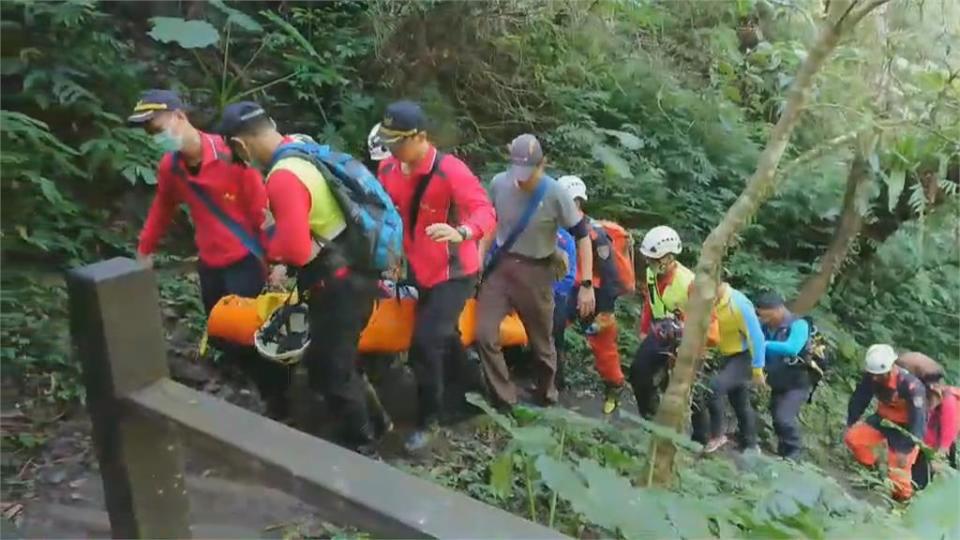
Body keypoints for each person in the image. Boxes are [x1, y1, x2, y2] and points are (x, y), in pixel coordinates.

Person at [218, 101, 381, 454]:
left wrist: (272, 242)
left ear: (241, 145)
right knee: (342, 359)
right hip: (357, 267)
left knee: (328, 369)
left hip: (339, 282)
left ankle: (362, 446)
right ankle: (378, 424)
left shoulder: (283, 177)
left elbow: (292, 248)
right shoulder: (304, 151)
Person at [126, 90, 290, 416]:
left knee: (255, 335)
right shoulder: (171, 167)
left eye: (157, 129)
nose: (155, 137)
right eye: (149, 133)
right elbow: (163, 207)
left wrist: (277, 261)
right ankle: (252, 390)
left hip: (246, 260)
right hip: (210, 262)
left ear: (180, 117)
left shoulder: (231, 155)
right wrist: (145, 249)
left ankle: (279, 401)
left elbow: (262, 212)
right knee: (222, 334)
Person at [375, 101, 496, 451]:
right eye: (388, 141)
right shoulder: (387, 170)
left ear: (421, 137)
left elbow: (485, 211)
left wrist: (463, 232)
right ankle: (477, 394)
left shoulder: (450, 171)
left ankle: (430, 421)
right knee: (446, 338)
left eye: (398, 141)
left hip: (455, 271)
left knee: (426, 343)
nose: (393, 149)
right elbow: (387, 213)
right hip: (418, 269)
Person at [477, 134, 595, 410]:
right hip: (502, 267)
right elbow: (491, 221)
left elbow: (582, 235)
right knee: (485, 334)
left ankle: (546, 394)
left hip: (537, 271)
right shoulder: (499, 184)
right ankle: (504, 398)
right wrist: (480, 255)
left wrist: (586, 283)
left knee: (542, 343)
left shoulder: (555, 193)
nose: (522, 178)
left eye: (529, 171)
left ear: (543, 164)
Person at [556, 175, 627, 414]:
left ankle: (614, 388)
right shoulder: (557, 229)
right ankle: (555, 383)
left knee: (603, 347)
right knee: (550, 332)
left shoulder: (596, 235)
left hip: (595, 297)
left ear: (576, 203)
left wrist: (606, 311)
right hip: (567, 292)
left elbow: (611, 277)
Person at [845, 344, 927, 501]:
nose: (875, 378)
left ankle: (902, 503)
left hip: (906, 430)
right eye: (873, 374)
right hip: (882, 421)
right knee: (854, 437)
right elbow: (859, 398)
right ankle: (874, 473)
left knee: (900, 476)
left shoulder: (911, 386)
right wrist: (852, 421)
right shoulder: (872, 377)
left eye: (879, 375)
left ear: (891, 368)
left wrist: (907, 449)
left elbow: (918, 420)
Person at [629, 226, 694, 417]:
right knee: (638, 372)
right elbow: (651, 300)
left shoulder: (688, 282)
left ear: (668, 258)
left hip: (682, 336)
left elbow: (698, 316)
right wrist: (644, 327)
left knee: (678, 385)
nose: (649, 262)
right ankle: (649, 415)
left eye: (653, 259)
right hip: (659, 331)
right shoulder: (652, 273)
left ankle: (700, 436)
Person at [700, 282, 766, 454]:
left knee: (714, 388)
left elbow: (756, 336)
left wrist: (758, 369)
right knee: (740, 402)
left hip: (744, 356)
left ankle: (717, 435)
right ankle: (750, 444)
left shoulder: (738, 304)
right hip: (728, 355)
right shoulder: (709, 300)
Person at [754, 291, 812, 460]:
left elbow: (792, 348)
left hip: (797, 383)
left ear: (779, 309)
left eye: (768, 316)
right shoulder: (765, 326)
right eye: (761, 316)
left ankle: (795, 454)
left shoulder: (799, 325)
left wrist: (763, 344)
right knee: (777, 417)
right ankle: (783, 453)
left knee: (784, 418)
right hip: (777, 380)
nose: (764, 320)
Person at [552, 228, 577, 390]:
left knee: (555, 339)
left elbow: (569, 274)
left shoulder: (563, 238)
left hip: (556, 295)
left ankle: (557, 381)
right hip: (544, 293)